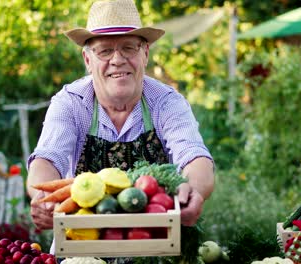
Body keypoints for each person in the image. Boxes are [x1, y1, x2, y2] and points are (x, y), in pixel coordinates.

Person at [27, 0, 214, 236]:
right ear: (88, 61)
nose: (117, 60)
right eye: (105, 50)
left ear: (145, 54)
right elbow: (47, 159)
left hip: (156, 246)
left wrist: (194, 190)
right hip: (82, 245)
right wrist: (43, 198)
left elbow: (194, 156)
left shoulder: (167, 103)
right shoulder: (70, 103)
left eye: (128, 48)